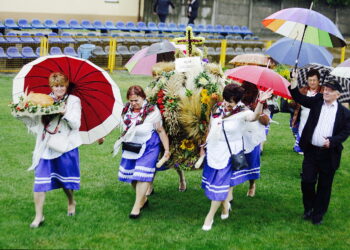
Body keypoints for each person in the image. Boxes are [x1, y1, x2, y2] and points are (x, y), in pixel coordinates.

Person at [201, 84, 272, 231]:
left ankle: (209, 217)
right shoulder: (217, 108)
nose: (226, 104)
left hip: (229, 153)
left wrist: (260, 102)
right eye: (225, 99)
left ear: (238, 101)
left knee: (220, 184)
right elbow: (210, 127)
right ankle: (225, 205)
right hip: (214, 150)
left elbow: (254, 117)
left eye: (230, 102)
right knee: (216, 182)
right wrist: (204, 147)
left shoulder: (243, 112)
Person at [19, 72, 82, 228]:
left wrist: (64, 112)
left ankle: (71, 201)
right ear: (51, 86)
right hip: (45, 146)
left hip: (66, 145)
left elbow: (76, 124)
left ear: (66, 85)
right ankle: (39, 216)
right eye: (55, 86)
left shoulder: (73, 101)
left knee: (65, 182)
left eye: (62, 85)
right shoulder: (44, 100)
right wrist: (22, 113)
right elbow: (34, 124)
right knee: (39, 182)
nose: (59, 89)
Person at [289, 72, 350, 225]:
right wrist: (294, 81)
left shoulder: (344, 113)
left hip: (329, 154)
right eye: (326, 89)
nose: (326, 92)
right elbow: (300, 98)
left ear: (337, 95)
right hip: (311, 150)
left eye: (330, 91)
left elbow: (345, 131)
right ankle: (309, 208)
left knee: (325, 186)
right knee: (307, 181)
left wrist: (333, 141)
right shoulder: (317, 101)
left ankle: (318, 214)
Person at [116, 85, 170, 219]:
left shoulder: (152, 111)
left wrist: (167, 150)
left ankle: (136, 206)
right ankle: (143, 200)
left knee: (142, 175)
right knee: (133, 177)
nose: (134, 103)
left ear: (143, 97)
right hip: (131, 145)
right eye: (131, 100)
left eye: (137, 100)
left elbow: (160, 130)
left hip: (149, 145)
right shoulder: (126, 109)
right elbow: (117, 123)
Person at [292, 69, 323, 155]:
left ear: (318, 80)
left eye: (314, 80)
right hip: (303, 119)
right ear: (307, 80)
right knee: (302, 132)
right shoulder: (303, 90)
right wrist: (294, 80)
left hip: (317, 120)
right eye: (310, 80)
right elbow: (295, 100)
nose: (312, 82)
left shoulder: (323, 92)